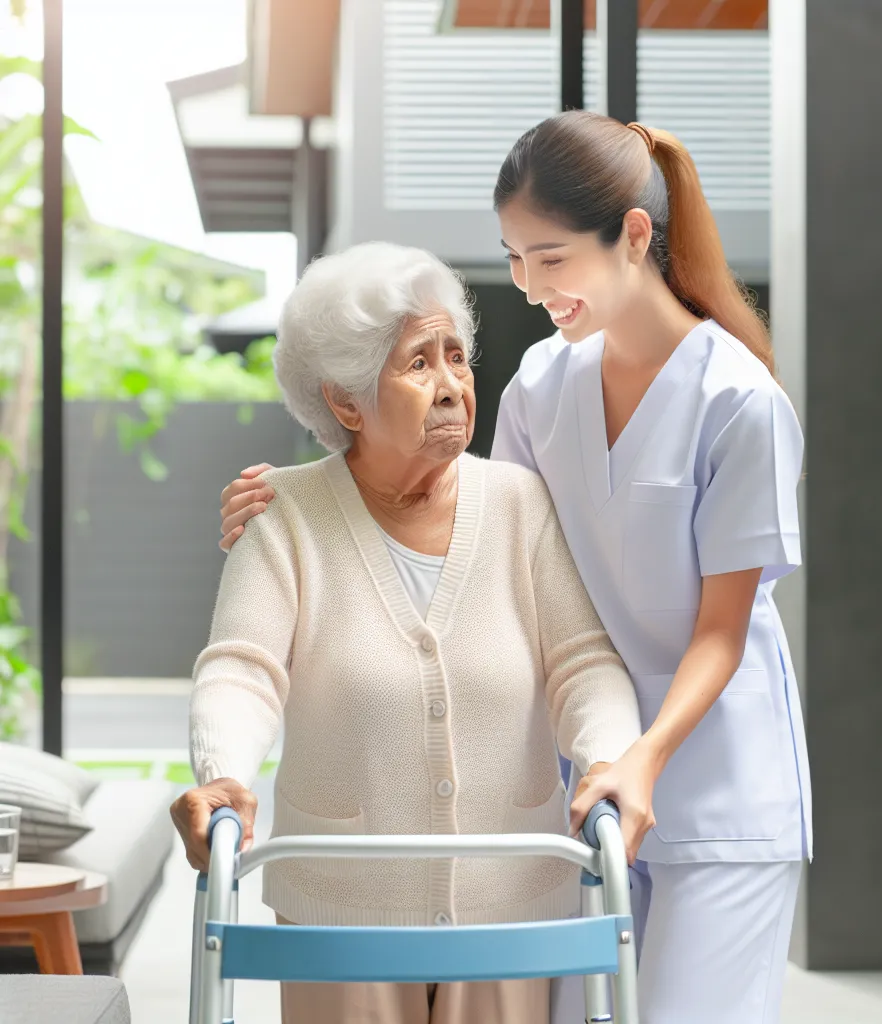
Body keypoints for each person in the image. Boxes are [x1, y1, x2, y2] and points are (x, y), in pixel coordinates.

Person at [218, 111, 811, 1024]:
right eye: (515, 257)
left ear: (635, 237)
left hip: (715, 787)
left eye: (551, 257)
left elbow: (723, 630)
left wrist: (643, 756)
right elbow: (479, 535)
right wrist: (298, 497)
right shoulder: (542, 381)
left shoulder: (739, 402)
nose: (530, 287)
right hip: (582, 794)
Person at [172, 240, 643, 1024]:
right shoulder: (283, 515)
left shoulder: (521, 504)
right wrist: (225, 774)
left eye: (456, 355)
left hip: (511, 905)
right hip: (341, 910)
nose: (454, 385)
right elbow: (240, 670)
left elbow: (583, 664)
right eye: (418, 363)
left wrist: (607, 759)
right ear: (347, 402)